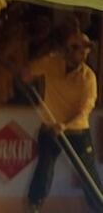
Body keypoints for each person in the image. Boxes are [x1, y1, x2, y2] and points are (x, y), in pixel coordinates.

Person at [21, 30, 103, 212]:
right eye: (79, 49)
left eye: (85, 50)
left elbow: (85, 110)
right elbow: (28, 71)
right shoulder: (52, 62)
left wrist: (65, 125)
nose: (83, 54)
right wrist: (27, 74)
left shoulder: (88, 77)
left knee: (88, 173)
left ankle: (99, 207)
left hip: (77, 131)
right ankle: (33, 206)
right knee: (44, 168)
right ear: (68, 49)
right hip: (51, 129)